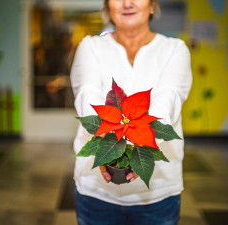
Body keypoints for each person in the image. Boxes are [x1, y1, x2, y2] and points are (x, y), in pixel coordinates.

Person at [70, 0, 192, 224]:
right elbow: (87, 94)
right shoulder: (90, 46)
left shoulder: (175, 49)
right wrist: (108, 147)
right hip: (96, 192)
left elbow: (169, 98)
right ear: (107, 7)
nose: (127, 3)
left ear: (153, 5)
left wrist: (141, 147)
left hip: (157, 194)